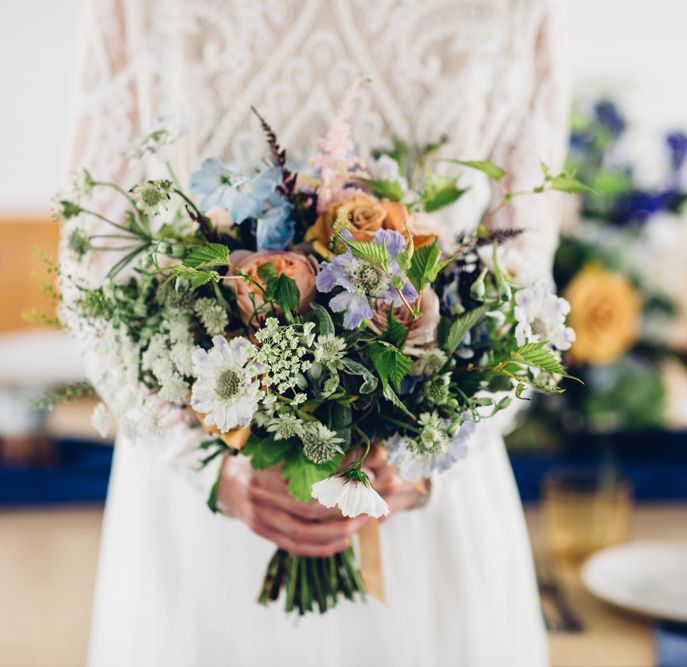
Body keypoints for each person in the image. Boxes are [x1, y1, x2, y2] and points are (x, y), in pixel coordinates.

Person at [63, 1, 568, 664]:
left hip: (420, 508)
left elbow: (523, 271)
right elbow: (92, 264)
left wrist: (419, 462)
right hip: (210, 505)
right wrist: (204, 463)